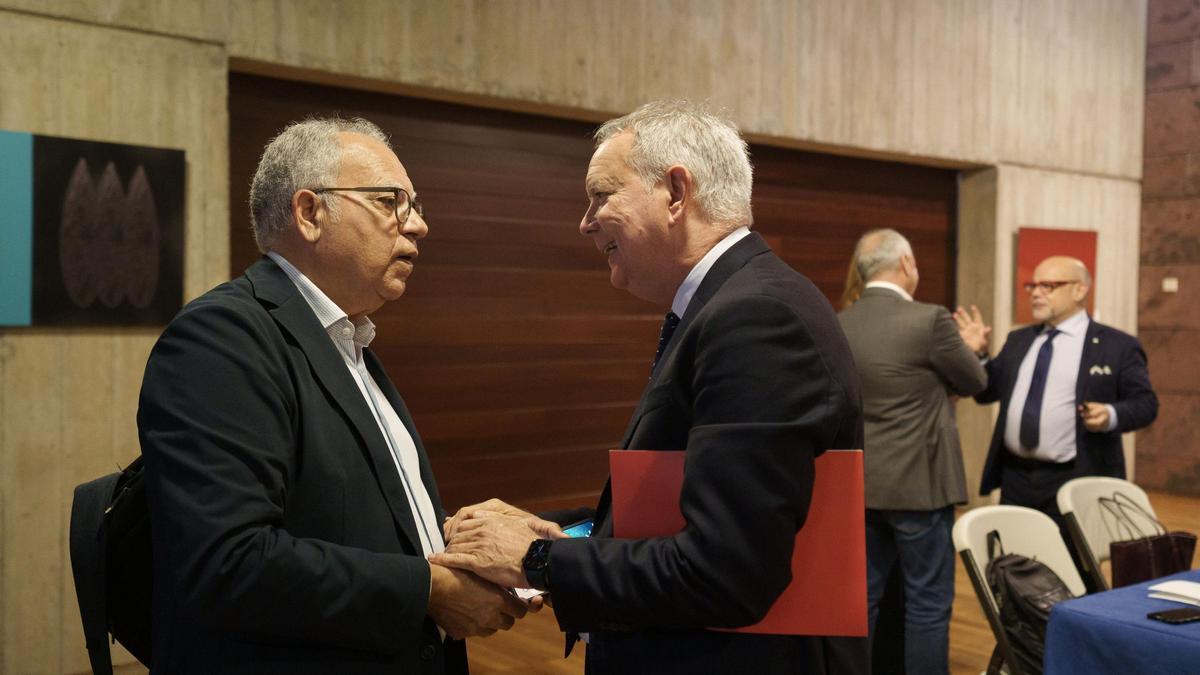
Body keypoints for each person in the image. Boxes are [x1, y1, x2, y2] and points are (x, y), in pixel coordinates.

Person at [429, 100, 866, 674]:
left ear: (677, 193)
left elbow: (726, 572)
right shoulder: (731, 303)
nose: (585, 222)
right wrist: (551, 529)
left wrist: (537, 560)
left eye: (601, 195)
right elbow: (690, 500)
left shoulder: (755, 317)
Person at [137, 117, 530, 674]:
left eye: (415, 205)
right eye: (392, 201)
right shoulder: (221, 338)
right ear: (309, 213)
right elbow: (228, 562)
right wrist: (429, 589)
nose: (417, 225)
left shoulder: (347, 338)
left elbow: (344, 512)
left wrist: (462, 537)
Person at [838, 229, 987, 675]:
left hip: (861, 486)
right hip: (921, 487)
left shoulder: (839, 322)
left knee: (862, 600)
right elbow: (976, 382)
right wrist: (973, 348)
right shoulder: (930, 320)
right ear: (905, 264)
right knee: (927, 604)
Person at [955, 255, 1159, 525]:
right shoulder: (1019, 340)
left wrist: (1111, 414)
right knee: (1014, 563)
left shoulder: (1117, 345)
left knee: (1073, 564)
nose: (1036, 293)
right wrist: (980, 355)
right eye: (1033, 286)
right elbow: (987, 393)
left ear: (1079, 290)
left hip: (1074, 479)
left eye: (1048, 286)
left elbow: (1146, 404)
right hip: (1016, 478)